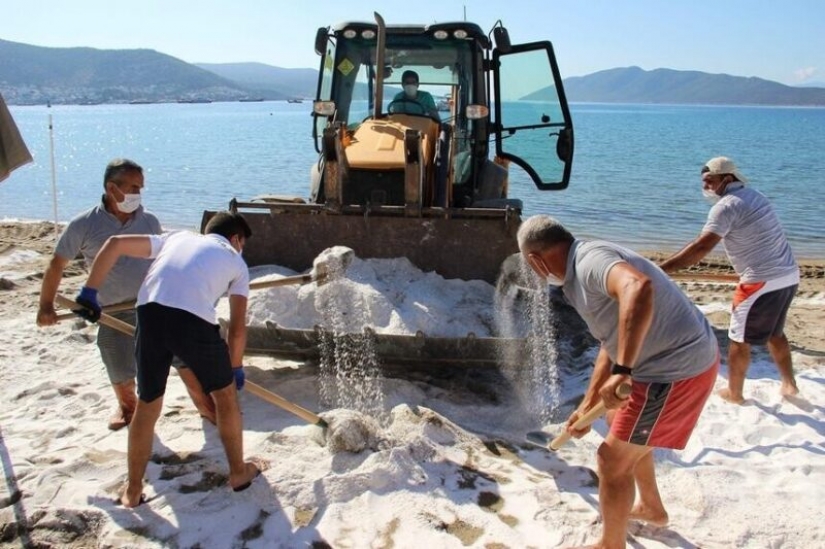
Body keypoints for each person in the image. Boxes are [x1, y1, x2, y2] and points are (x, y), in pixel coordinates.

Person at [517, 215, 719, 549]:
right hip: (664, 362)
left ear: (536, 260)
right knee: (616, 421)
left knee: (611, 460)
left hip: (674, 371)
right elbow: (610, 337)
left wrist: (623, 370)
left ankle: (611, 544)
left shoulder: (590, 262)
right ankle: (651, 507)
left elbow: (638, 288)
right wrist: (588, 400)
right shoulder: (575, 273)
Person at [74, 211, 261, 506]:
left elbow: (114, 244)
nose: (242, 249)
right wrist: (235, 368)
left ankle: (133, 491)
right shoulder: (237, 262)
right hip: (194, 321)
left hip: (148, 314)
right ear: (236, 239)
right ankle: (238, 472)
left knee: (148, 404)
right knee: (225, 397)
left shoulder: (176, 238)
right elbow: (237, 330)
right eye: (243, 244)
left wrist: (89, 292)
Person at [36, 158, 215, 429]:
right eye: (133, 188)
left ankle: (207, 409)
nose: (138, 195)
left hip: (155, 307)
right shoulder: (84, 224)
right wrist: (46, 305)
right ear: (112, 188)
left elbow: (165, 262)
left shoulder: (149, 221)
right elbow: (57, 264)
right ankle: (127, 407)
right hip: (111, 311)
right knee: (118, 366)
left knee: (187, 363)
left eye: (140, 188)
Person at [659, 156, 800, 404]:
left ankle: (734, 394)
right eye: (704, 182)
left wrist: (662, 269)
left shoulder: (726, 206)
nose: (706, 187)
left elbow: (701, 247)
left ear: (727, 179)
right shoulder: (755, 195)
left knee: (738, 339)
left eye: (710, 181)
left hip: (760, 282)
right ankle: (789, 384)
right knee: (775, 332)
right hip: (788, 275)